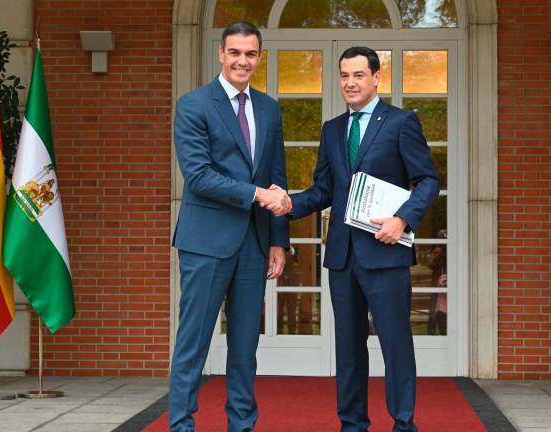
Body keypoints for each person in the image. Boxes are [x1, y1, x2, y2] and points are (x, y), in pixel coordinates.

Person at [278, 46, 439, 432]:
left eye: (358, 75)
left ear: (375, 78)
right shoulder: (332, 129)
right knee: (348, 350)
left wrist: (403, 220)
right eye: (345, 76)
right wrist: (288, 204)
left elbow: (428, 180)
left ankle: (403, 424)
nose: (350, 83)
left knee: (395, 345)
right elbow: (324, 190)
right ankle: (352, 424)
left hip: (385, 253)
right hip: (342, 257)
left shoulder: (401, 123)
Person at [169, 21, 291, 432]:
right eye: (235, 53)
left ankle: (242, 425)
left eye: (251, 54)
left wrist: (279, 240)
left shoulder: (270, 108)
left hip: (255, 244)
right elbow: (199, 175)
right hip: (205, 242)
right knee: (193, 342)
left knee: (245, 347)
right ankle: (181, 424)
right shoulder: (194, 104)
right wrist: (257, 195)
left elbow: (277, 175)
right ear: (221, 54)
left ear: (260, 57)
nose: (243, 61)